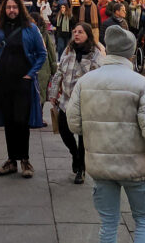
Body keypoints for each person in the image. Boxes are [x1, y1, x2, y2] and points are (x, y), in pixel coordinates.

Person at [66, 25, 145, 243]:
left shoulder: (86, 81)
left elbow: (74, 123)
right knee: (144, 219)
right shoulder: (141, 83)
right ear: (131, 52)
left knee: (108, 223)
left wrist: (95, 133)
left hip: (100, 166)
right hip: (136, 167)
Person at [0, 0, 48, 178]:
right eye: (9, 7)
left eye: (15, 7)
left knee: (21, 121)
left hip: (22, 82)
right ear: (4, 9)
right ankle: (12, 160)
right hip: (2, 82)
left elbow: (42, 53)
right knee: (9, 121)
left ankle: (24, 159)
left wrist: (30, 74)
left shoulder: (31, 29)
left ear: (20, 9)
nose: (12, 10)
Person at [48, 22, 105, 184]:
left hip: (86, 101)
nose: (77, 34)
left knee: (82, 136)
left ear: (88, 34)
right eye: (75, 32)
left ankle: (81, 168)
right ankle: (75, 154)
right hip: (66, 100)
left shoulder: (95, 54)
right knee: (64, 131)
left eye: (80, 32)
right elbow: (60, 72)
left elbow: (100, 77)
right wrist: (53, 94)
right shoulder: (69, 50)